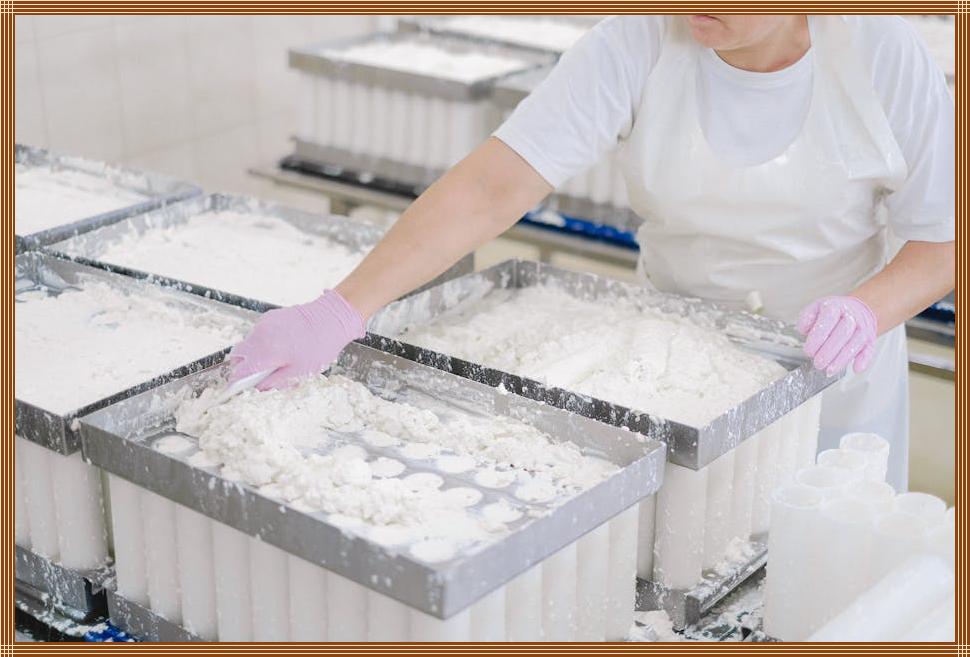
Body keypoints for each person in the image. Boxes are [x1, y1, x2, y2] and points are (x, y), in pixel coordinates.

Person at [231, 15, 954, 491]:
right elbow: (493, 185)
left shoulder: (882, 53)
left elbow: (944, 238)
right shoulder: (639, 39)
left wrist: (867, 310)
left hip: (829, 368)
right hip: (673, 366)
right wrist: (342, 308)